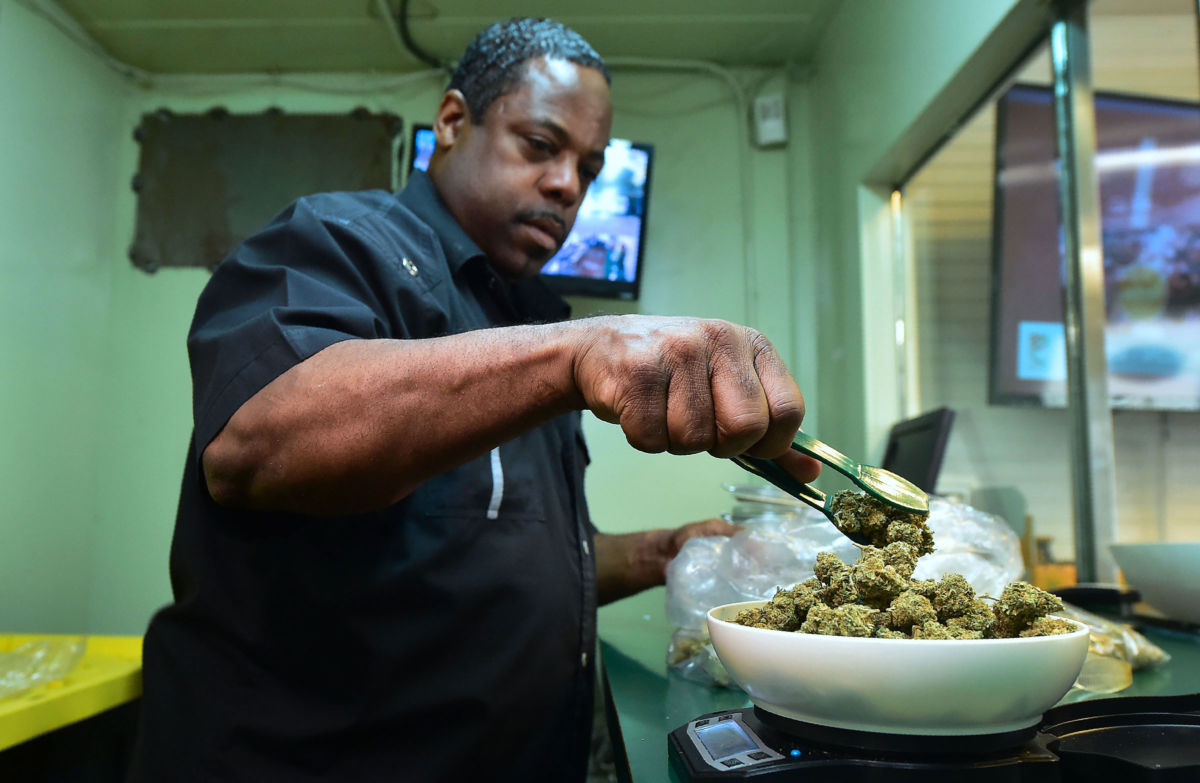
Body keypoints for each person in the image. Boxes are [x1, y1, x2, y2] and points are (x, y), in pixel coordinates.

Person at [128, 17, 819, 783]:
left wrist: (673, 549)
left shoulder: (527, 316)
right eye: (540, 145)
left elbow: (502, 552)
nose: (568, 187)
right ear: (453, 122)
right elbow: (260, 442)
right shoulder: (336, 240)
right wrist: (583, 350)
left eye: (590, 168)